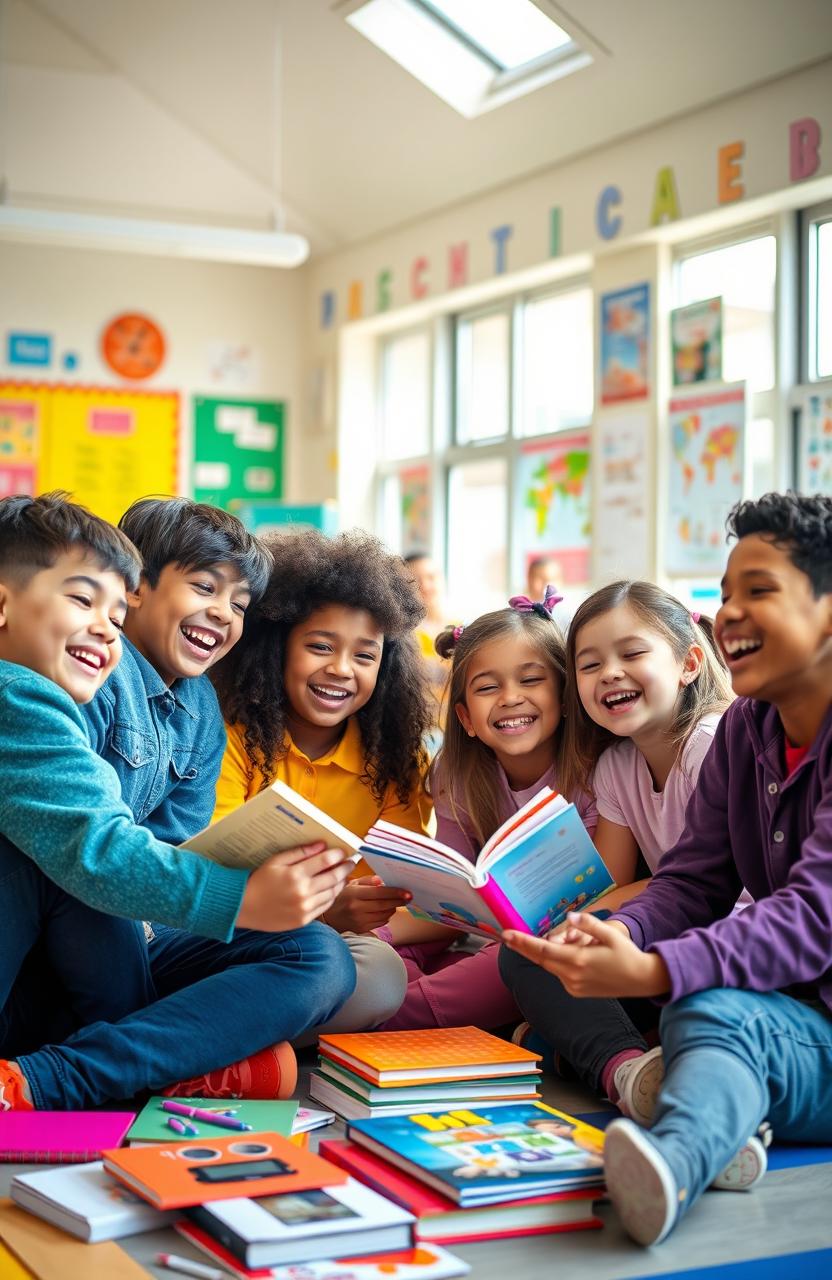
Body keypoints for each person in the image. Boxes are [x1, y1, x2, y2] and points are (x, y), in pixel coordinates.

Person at [502, 491, 832, 1246]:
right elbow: (692, 880)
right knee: (554, 965)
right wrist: (615, 935)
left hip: (807, 1018)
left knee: (703, 1009)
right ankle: (707, 1123)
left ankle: (675, 1159)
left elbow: (816, 915)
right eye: (725, 596)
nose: (732, 616)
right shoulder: (750, 730)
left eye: (761, 592)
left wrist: (656, 970)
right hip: (785, 1007)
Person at [0, 493, 354, 1111]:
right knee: (92, 866)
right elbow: (95, 851)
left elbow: (175, 846)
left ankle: (91, 1066)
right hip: (65, 946)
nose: (222, 614)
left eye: (239, 605)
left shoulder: (198, 712)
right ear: (144, 588)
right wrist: (240, 898)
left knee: (320, 954)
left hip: (128, 944)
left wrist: (265, 897)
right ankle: (112, 1070)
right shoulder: (53, 687)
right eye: (204, 587)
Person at [500, 580, 733, 1121]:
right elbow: (610, 884)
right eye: (589, 664)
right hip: (660, 934)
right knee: (531, 952)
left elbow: (726, 891)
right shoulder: (616, 766)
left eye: (632, 654)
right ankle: (627, 1069)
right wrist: (569, 924)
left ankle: (587, 1053)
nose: (610, 673)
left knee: (559, 1024)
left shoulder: (711, 743)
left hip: (725, 941)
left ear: (689, 663)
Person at [212, 527, 436, 1034]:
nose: (340, 669)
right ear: (277, 648)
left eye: (364, 656)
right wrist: (321, 913)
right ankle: (246, 1041)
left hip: (329, 953)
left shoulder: (396, 762)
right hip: (230, 932)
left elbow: (410, 899)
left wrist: (354, 921)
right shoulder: (231, 737)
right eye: (320, 646)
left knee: (378, 975)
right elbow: (209, 875)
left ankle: (235, 1042)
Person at [376, 585, 597, 1031]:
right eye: (488, 687)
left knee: (509, 963)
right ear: (465, 719)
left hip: (555, 945)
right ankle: (381, 1003)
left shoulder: (594, 773)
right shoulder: (455, 777)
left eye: (531, 680)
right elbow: (446, 912)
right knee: (382, 955)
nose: (510, 697)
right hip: (480, 942)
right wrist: (374, 936)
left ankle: (378, 1019)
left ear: (566, 695)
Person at [404, 551, 453, 753]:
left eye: (431, 577)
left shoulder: (459, 630)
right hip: (414, 735)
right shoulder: (401, 635)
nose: (425, 586)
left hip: (456, 734)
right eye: (416, 580)